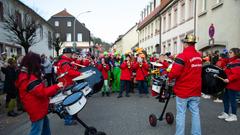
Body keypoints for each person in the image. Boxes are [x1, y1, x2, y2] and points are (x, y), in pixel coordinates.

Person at [15, 52, 63, 135]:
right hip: (37, 109)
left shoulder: (26, 75)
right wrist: (56, 86)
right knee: (36, 131)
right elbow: (42, 92)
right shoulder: (28, 78)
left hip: (39, 107)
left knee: (45, 127)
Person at [168, 34, 202, 135]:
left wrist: (169, 77)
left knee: (181, 114)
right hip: (196, 90)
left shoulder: (182, 56)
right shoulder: (199, 56)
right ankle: (196, 133)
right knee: (195, 114)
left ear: (185, 44)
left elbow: (174, 73)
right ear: (194, 44)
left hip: (183, 90)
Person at [56, 47, 81, 125]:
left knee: (69, 101)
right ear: (67, 54)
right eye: (71, 53)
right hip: (67, 84)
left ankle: (72, 117)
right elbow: (69, 72)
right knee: (69, 102)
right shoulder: (64, 62)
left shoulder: (63, 61)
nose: (71, 55)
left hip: (66, 83)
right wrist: (79, 74)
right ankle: (68, 120)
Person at [217, 48, 240, 122]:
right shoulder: (231, 61)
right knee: (225, 99)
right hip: (227, 84)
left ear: (235, 54)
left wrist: (229, 79)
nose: (229, 54)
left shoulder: (237, 61)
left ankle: (234, 115)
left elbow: (237, 74)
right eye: (229, 52)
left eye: (230, 52)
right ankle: (226, 113)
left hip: (233, 84)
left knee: (233, 100)